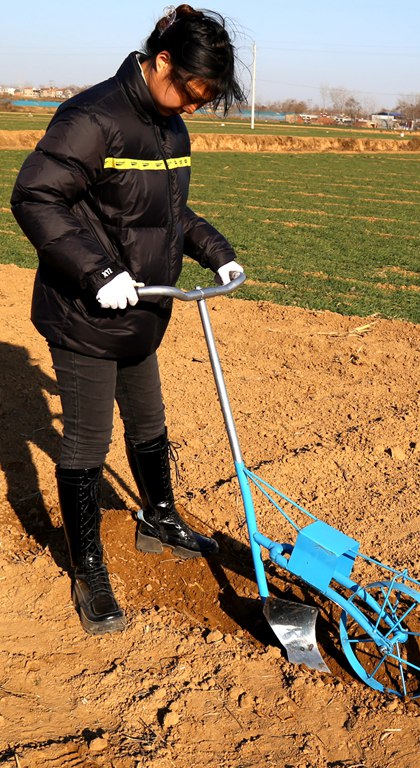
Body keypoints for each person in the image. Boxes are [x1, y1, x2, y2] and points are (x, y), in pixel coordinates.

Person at [10, 5, 247, 636]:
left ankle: (159, 520)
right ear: (161, 61)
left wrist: (218, 252)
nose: (192, 107)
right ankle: (87, 566)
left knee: (149, 422)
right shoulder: (92, 117)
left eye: (203, 100)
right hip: (86, 312)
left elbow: (169, 214)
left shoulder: (171, 126)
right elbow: (35, 197)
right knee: (87, 442)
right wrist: (97, 273)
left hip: (143, 308)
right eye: (190, 92)